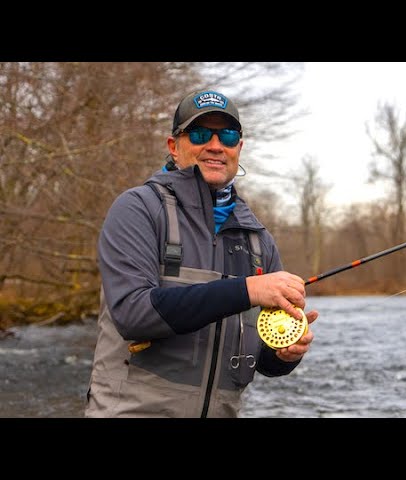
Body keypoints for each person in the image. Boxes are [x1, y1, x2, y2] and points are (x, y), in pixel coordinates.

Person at [85, 89, 317, 417]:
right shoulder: (138, 209)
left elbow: (262, 358)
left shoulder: (258, 240)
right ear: (173, 147)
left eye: (228, 134)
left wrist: (284, 354)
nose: (215, 144)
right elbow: (133, 314)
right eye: (199, 133)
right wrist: (247, 289)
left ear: (239, 147)